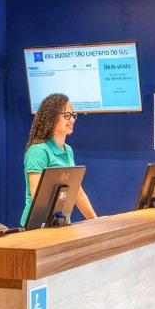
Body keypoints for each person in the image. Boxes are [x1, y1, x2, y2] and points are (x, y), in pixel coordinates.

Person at [20, 93, 97, 227]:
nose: (72, 120)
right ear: (52, 118)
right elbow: (38, 197)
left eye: (73, 115)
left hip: (60, 225)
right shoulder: (38, 151)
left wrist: (96, 221)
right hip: (36, 228)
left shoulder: (68, 150)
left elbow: (78, 193)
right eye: (67, 115)